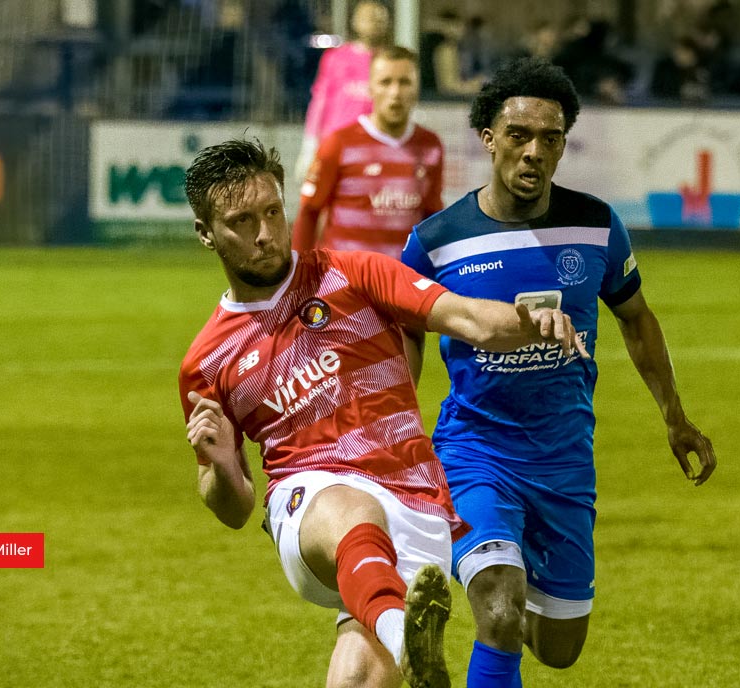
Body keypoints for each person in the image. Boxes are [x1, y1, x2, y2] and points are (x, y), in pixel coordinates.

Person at [178, 138, 587, 688]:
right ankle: (410, 642)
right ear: (206, 233)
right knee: (350, 508)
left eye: (273, 212)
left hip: (413, 502)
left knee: (357, 680)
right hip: (310, 503)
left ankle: (399, 634)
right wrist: (221, 465)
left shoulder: (354, 275)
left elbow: (469, 317)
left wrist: (535, 318)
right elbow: (233, 508)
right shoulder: (208, 359)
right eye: (240, 221)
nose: (264, 233)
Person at [399, 58, 718, 687]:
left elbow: (636, 319)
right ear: (488, 138)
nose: (534, 152)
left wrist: (676, 419)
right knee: (498, 606)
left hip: (565, 461)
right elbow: (405, 339)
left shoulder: (597, 225)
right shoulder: (436, 242)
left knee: (558, 646)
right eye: (519, 135)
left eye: (551, 139)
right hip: (475, 452)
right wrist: (394, 435)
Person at [293, 46, 444, 257]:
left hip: (402, 283)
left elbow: (431, 216)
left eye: (404, 82)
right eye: (386, 82)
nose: (395, 92)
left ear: (416, 88)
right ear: (370, 88)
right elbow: (310, 212)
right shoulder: (338, 143)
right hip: (344, 283)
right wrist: (299, 276)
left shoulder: (431, 145)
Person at [294, 0, 391, 186]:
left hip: (374, 148)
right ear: (355, 21)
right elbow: (319, 102)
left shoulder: (389, 61)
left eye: (380, 18)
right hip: (337, 145)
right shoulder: (336, 58)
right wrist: (309, 146)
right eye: (368, 17)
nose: (374, 22)